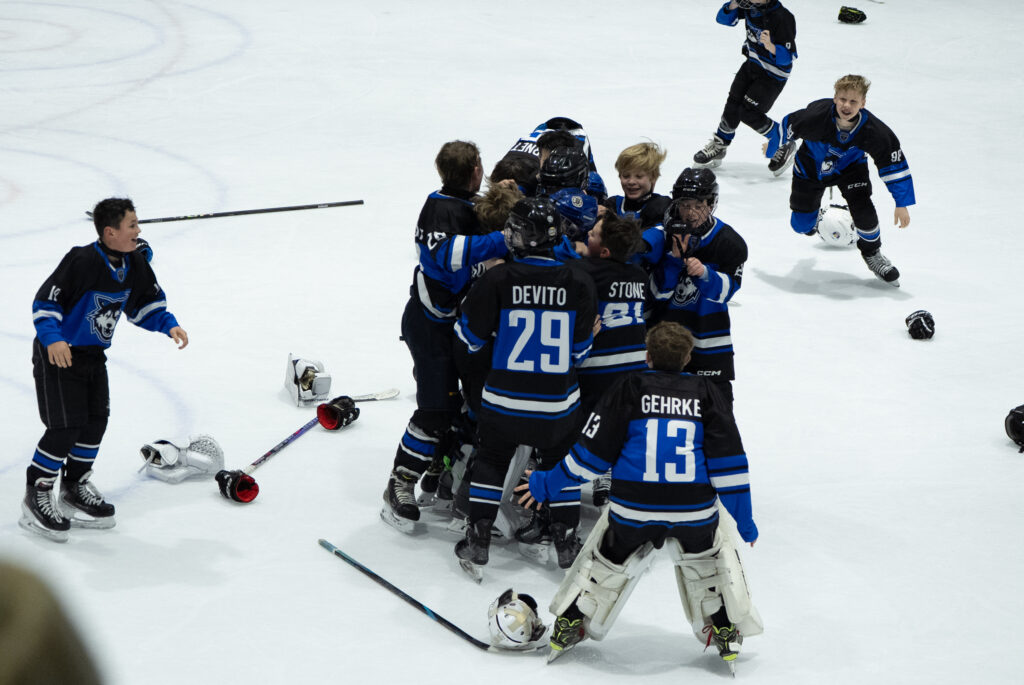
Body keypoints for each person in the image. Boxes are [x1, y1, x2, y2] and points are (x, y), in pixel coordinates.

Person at [514, 322, 760, 668]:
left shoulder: (628, 387)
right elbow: (729, 465)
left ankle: (572, 619)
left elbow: (589, 457)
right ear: (688, 358)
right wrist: (746, 522)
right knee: (712, 551)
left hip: (634, 508)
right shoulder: (706, 392)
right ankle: (722, 625)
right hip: (693, 510)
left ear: (647, 356)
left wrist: (544, 484)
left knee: (603, 556)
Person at [21, 198, 188, 542]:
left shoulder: (134, 263)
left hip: (93, 355)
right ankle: (36, 492)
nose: (138, 232)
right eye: (132, 226)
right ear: (110, 232)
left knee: (96, 421)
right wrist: (53, 339)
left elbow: (143, 306)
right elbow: (45, 301)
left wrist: (168, 324)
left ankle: (74, 486)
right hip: (60, 354)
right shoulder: (81, 261)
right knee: (65, 427)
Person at [453, 197, 597, 579]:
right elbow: (581, 351)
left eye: (514, 228)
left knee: (492, 459)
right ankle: (565, 537)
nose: (509, 234)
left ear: (526, 237)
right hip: (557, 404)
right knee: (557, 463)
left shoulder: (497, 279)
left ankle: (478, 536)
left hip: (504, 400)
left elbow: (469, 338)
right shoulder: (579, 279)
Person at [381, 141, 509, 533]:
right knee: (436, 408)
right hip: (429, 325)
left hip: (459, 325)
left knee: (469, 405)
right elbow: (450, 256)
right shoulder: (441, 207)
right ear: (474, 170)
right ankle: (399, 483)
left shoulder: (466, 203)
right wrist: (508, 237)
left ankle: (440, 466)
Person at [776, 74, 915, 286]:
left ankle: (872, 253)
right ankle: (818, 218)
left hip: (850, 169)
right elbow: (788, 125)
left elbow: (893, 164)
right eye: (842, 99)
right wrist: (775, 143)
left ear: (863, 103)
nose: (846, 106)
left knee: (864, 210)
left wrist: (901, 203)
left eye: (853, 101)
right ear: (834, 98)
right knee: (801, 226)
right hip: (810, 166)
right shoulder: (816, 117)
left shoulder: (874, 131)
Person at [648, 168, 746, 411]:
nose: (690, 213)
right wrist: (672, 259)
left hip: (709, 348)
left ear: (711, 204)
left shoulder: (729, 242)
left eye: (698, 205)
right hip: (663, 344)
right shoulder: (661, 237)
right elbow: (655, 296)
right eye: (684, 204)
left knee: (718, 420)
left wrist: (704, 274)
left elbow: (726, 292)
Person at [692, 0, 798, 176]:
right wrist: (733, 5)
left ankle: (784, 140)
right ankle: (720, 143)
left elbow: (788, 56)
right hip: (752, 64)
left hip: (772, 75)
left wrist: (771, 46)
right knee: (733, 104)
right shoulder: (750, 7)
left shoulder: (783, 17)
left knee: (748, 112)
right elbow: (724, 19)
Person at [604, 142, 672, 267]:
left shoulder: (661, 206)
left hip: (644, 279)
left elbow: (651, 242)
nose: (631, 182)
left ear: (653, 177)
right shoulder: (612, 204)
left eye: (639, 176)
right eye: (626, 176)